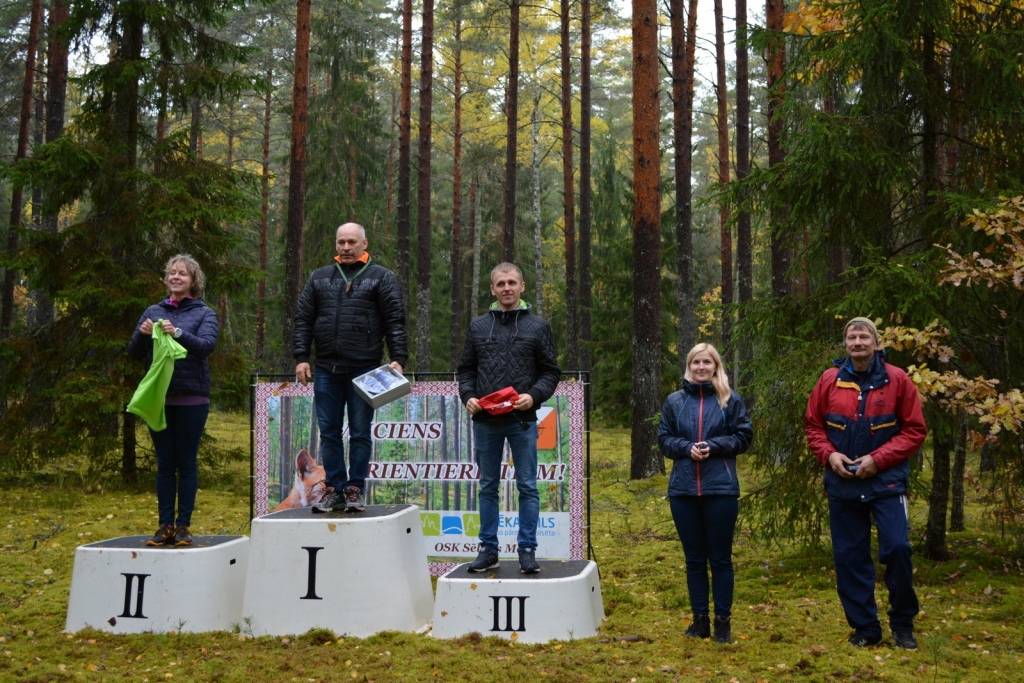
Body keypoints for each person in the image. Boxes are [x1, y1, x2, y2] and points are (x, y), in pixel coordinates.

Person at [805, 317, 927, 650]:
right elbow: (814, 428)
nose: (857, 342)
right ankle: (866, 629)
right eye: (851, 337)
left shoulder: (897, 379)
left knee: (898, 549)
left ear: (875, 342)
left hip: (886, 482)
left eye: (863, 337)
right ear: (846, 344)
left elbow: (914, 431)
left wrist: (879, 460)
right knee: (850, 557)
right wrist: (830, 456)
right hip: (842, 483)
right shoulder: (829, 380)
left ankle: (903, 625)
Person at [293, 222, 407, 513]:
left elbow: (395, 319)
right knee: (329, 432)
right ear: (336, 245)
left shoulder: (382, 277)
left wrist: (399, 357)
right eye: (341, 242)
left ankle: (355, 488)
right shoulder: (319, 278)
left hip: (364, 368)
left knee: (359, 432)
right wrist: (301, 357)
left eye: (351, 242)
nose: (346, 247)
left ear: (364, 244)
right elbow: (303, 319)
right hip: (326, 368)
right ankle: (334, 489)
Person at [457, 263, 560, 574]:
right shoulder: (477, 326)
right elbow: (465, 370)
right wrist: (468, 396)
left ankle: (527, 549)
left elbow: (551, 371)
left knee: (527, 486)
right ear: (492, 289)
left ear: (522, 286)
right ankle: (488, 549)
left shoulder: (538, 326)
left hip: (523, 420)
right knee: (487, 486)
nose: (506, 288)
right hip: (486, 420)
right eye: (500, 283)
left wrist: (535, 395)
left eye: (512, 282)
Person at [658, 343, 753, 644]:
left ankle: (722, 622)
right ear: (689, 365)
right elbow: (664, 439)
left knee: (720, 558)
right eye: (696, 362)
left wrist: (714, 447)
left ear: (716, 366)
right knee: (694, 559)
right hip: (683, 490)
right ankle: (699, 620)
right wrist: (686, 448)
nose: (701, 367)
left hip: (720, 488)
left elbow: (744, 436)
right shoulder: (674, 401)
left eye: (707, 362)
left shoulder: (730, 399)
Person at [128, 254, 219, 547]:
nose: (176, 277)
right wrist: (143, 335)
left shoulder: (205, 313)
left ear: (194, 281)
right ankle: (164, 525)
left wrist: (177, 333)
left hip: (193, 398)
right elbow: (134, 353)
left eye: (182, 274)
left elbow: (206, 346)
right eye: (172, 273)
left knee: (186, 462)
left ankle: (183, 527)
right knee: (165, 463)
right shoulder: (152, 310)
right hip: (160, 397)